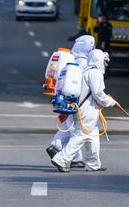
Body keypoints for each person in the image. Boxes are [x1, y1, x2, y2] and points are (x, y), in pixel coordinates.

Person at [50, 50, 116, 172]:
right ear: (99, 60)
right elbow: (98, 94)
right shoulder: (95, 73)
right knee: (81, 135)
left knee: (93, 136)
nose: (106, 65)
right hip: (87, 111)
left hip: (84, 110)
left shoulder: (86, 71)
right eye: (105, 61)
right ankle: (60, 159)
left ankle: (93, 164)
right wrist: (110, 102)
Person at [46, 35, 95, 168]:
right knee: (75, 131)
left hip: (66, 100)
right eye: (92, 46)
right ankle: (57, 149)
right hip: (78, 103)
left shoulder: (70, 60)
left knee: (70, 128)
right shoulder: (84, 63)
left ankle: (72, 157)